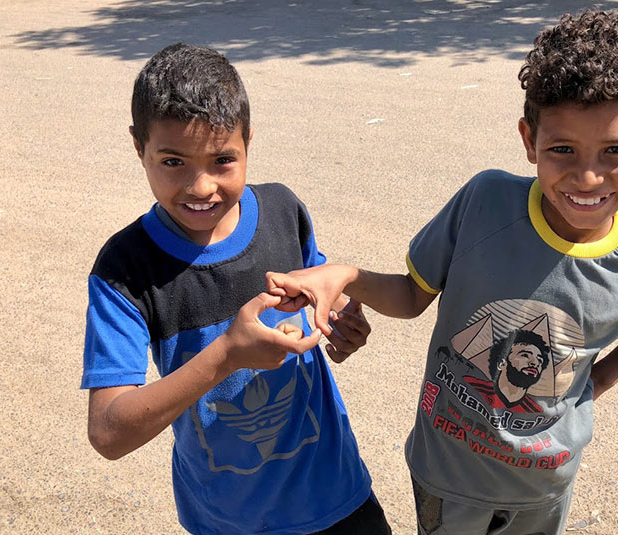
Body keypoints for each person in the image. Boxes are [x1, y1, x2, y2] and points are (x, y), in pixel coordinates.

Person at [265, 10, 618, 535]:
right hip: (447, 472)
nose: (587, 176)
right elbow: (410, 295)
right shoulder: (485, 203)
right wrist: (346, 275)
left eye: (617, 150)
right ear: (528, 138)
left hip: (545, 485)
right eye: (561, 149)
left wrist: (599, 379)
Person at [81, 43, 392, 535]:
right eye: (172, 161)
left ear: (249, 141)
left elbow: (317, 302)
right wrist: (226, 355)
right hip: (229, 521)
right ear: (138, 147)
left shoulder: (284, 211)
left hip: (338, 497)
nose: (201, 186)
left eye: (223, 159)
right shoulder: (125, 268)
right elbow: (109, 432)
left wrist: (338, 328)